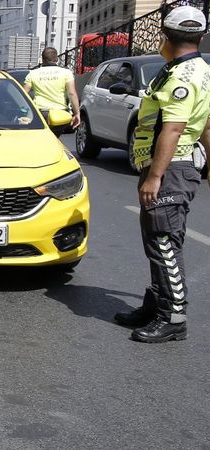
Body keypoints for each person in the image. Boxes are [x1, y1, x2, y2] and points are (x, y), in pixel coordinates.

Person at [114, 6, 210, 343]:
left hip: (170, 169)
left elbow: (173, 128)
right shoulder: (198, 70)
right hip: (174, 167)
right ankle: (156, 304)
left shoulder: (181, 77)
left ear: (165, 36)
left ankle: (173, 317)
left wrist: (155, 176)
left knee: (164, 243)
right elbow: (207, 125)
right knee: (160, 239)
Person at [23, 47, 81, 136]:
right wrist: (77, 113)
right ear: (57, 59)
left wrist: (24, 111)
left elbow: (24, 94)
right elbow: (72, 93)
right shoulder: (66, 73)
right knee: (55, 137)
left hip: (39, 113)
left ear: (42, 59)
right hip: (60, 113)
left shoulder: (33, 73)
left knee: (40, 138)